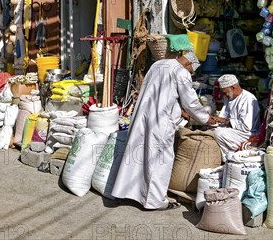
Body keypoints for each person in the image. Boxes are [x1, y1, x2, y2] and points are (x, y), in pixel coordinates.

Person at [111, 52, 217, 210]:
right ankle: (154, 201)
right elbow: (191, 102)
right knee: (159, 161)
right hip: (160, 122)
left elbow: (162, 94)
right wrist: (205, 118)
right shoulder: (181, 72)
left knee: (137, 156)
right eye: (190, 71)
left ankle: (128, 193)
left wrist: (179, 110)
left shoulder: (159, 64)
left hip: (143, 116)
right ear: (188, 65)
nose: (190, 74)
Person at [210, 74, 261, 158]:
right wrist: (215, 121)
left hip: (247, 134)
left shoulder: (248, 99)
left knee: (219, 133)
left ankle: (231, 156)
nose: (224, 94)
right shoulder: (229, 98)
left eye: (225, 91)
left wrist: (224, 121)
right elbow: (223, 117)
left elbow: (246, 127)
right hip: (234, 131)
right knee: (212, 130)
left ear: (233, 87)